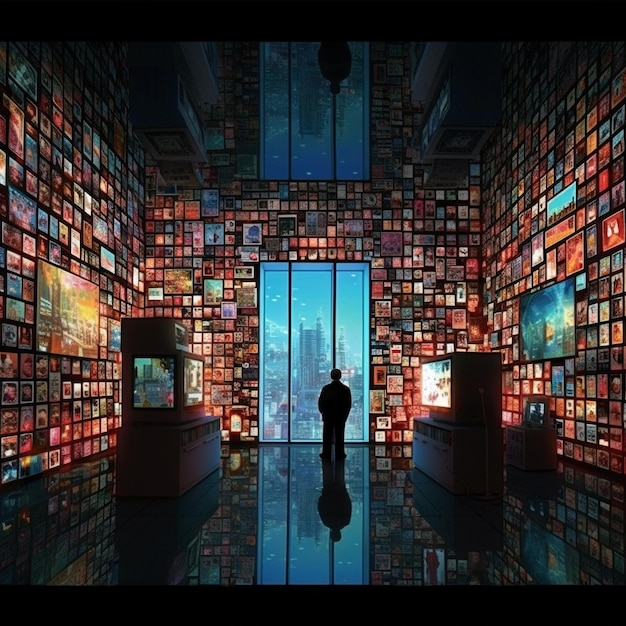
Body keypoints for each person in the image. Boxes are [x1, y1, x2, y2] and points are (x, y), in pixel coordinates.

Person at [318, 368, 352, 460]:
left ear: (331, 376)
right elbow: (348, 404)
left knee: (327, 436)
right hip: (340, 416)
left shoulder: (326, 388)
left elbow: (321, 402)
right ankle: (340, 453)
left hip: (328, 416)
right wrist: (345, 416)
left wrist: (323, 413)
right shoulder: (345, 389)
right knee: (340, 435)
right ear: (340, 376)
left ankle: (326, 453)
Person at [317, 457, 352, 543]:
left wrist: (345, 493)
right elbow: (320, 506)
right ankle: (326, 455)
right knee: (327, 471)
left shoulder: (346, 521)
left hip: (340, 491)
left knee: (339, 471)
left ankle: (340, 454)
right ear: (331, 533)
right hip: (328, 492)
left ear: (340, 533)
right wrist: (323, 496)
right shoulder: (326, 522)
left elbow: (348, 505)